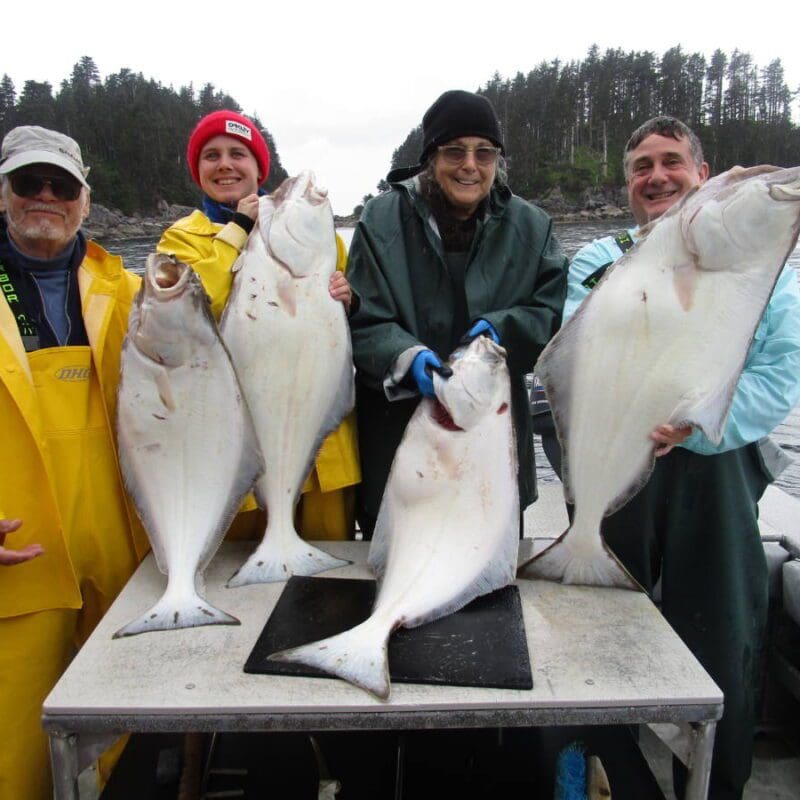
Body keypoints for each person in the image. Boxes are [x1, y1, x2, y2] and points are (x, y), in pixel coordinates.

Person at [565, 115, 800, 800]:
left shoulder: (769, 271)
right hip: (620, 459)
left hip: (717, 468)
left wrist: (696, 424)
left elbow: (778, 376)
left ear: (704, 176)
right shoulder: (598, 257)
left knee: (724, 637)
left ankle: (718, 787)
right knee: (605, 634)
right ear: (628, 184)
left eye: (672, 162)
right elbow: (578, 350)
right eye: (642, 166)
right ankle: (613, 775)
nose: (657, 176)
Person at [0, 126, 150, 800]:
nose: (45, 196)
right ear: (2, 193)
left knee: (124, 720)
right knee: (15, 745)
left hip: (120, 537)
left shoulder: (132, 290)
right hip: (18, 550)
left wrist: (328, 292)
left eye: (62, 185)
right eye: (27, 182)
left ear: (85, 201)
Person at [347, 89, 568, 539]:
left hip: (494, 444)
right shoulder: (380, 220)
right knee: (397, 568)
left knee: (489, 567)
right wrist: (405, 357)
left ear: (497, 161)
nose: (470, 165)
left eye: (484, 153)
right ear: (430, 158)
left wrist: (504, 328)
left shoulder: (532, 226)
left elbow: (549, 314)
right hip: (397, 444)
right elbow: (361, 317)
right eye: (454, 151)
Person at [157, 110, 360, 540]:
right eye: (212, 155)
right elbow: (186, 309)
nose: (225, 165)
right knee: (237, 568)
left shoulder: (314, 229)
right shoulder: (180, 239)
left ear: (258, 167)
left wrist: (350, 299)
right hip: (233, 449)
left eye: (238, 154)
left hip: (322, 446)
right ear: (197, 170)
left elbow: (345, 319)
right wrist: (238, 230)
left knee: (331, 570)